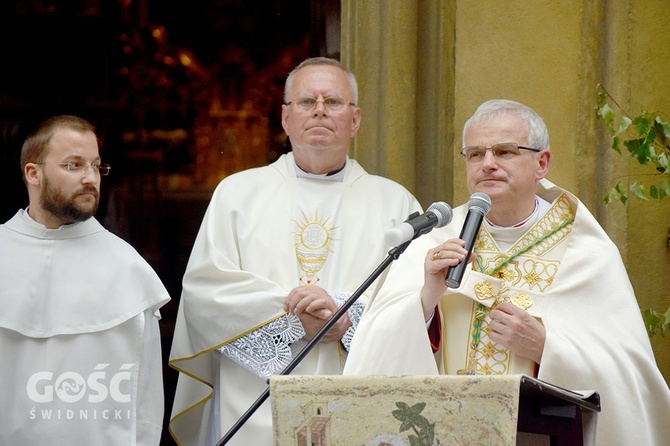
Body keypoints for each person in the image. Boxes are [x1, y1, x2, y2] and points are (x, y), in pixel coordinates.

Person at [344, 99, 670, 445]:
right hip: (444, 432)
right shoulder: (438, 240)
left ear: (541, 163)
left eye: (504, 152)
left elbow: (627, 373)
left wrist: (548, 348)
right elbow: (373, 351)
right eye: (474, 154)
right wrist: (426, 299)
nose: (487, 164)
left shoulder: (586, 252)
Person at [168, 57, 422, 446]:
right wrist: (290, 321)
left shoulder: (395, 203)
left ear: (354, 120)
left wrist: (347, 318)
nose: (319, 110)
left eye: (333, 102)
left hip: (356, 389)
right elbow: (205, 293)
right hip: (253, 397)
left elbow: (414, 298)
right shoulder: (237, 193)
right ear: (285, 118)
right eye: (306, 102)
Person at [0, 115, 171, 445]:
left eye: (96, 166)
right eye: (74, 165)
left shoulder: (126, 269)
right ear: (32, 173)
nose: (90, 178)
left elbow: (145, 402)